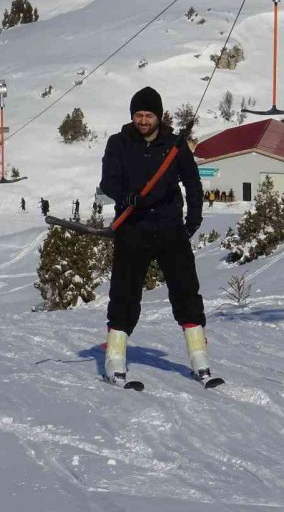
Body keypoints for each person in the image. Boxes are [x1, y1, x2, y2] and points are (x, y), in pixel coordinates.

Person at [98, 86, 210, 385]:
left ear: (159, 116)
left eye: (149, 115)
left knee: (186, 290)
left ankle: (199, 357)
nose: (143, 121)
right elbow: (108, 181)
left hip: (169, 227)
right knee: (125, 293)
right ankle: (115, 357)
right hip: (132, 229)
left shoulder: (174, 145)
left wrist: (194, 216)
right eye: (138, 115)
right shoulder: (118, 143)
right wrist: (127, 195)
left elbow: (192, 181)